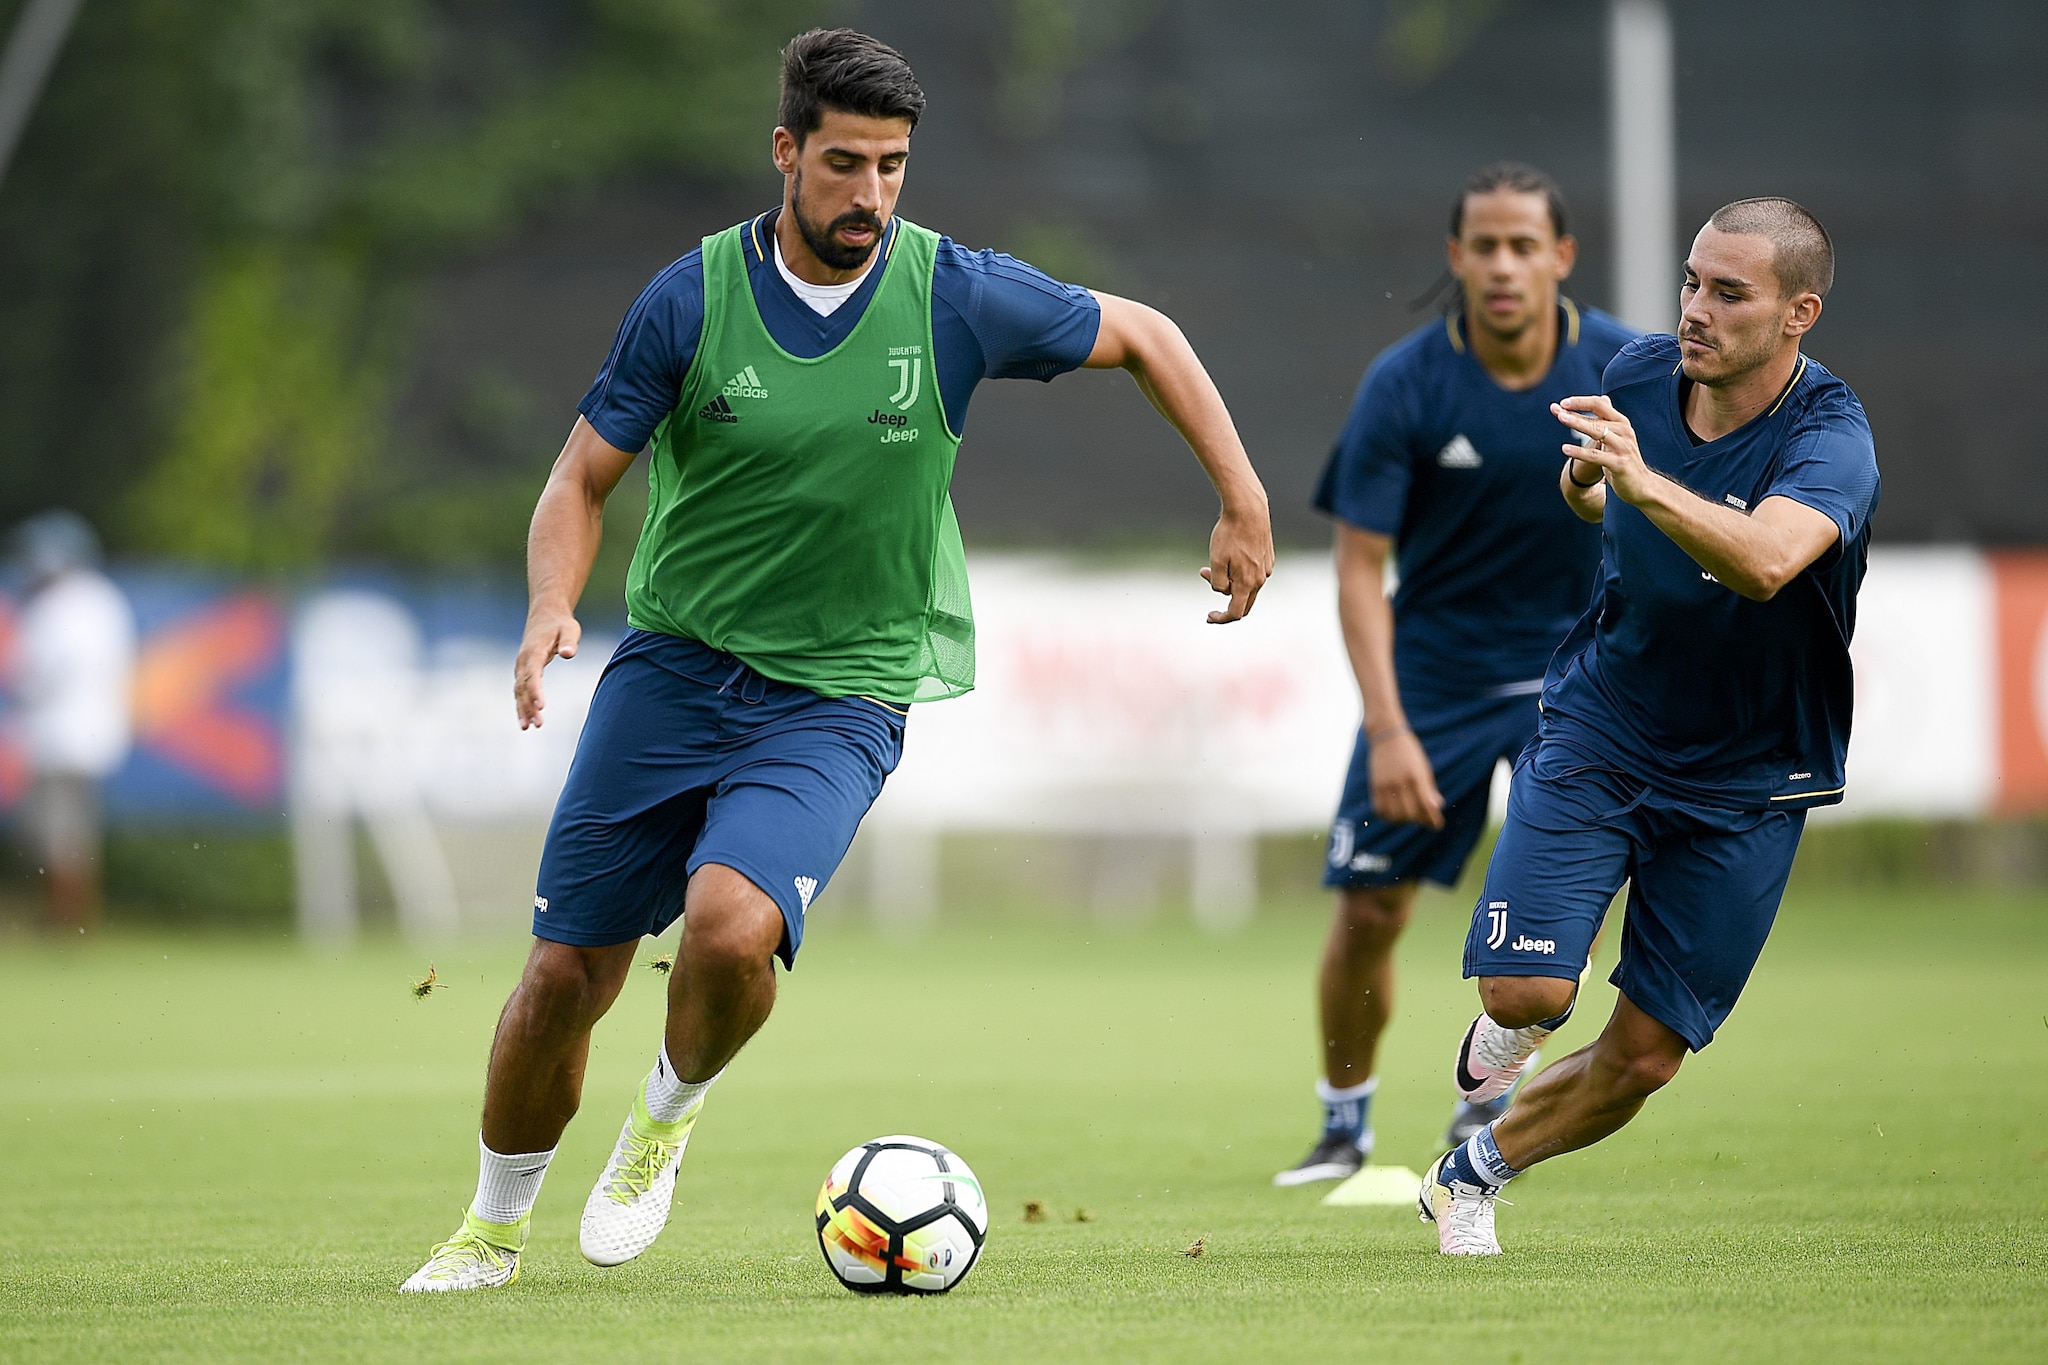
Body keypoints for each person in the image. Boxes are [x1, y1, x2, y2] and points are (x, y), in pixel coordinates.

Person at [401, 27, 1274, 1292]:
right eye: (846, 163)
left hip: (837, 692)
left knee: (726, 929)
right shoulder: (691, 296)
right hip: (671, 670)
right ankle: (488, 1228)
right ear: (785, 152)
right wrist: (550, 604)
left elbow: (1145, 334)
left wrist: (1240, 498)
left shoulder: (954, 294)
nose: (870, 194)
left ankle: (663, 1118)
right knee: (558, 980)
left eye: (894, 166)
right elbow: (579, 476)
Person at [1419, 198, 1877, 1254]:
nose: (1694, 311)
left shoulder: (1829, 439)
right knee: (1528, 984)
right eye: (1689, 282)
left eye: (1728, 293)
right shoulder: (1633, 375)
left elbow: (1763, 563)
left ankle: (1471, 1171)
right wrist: (1589, 479)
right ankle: (1511, 1024)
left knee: (1644, 1057)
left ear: (1797, 313)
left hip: (1752, 775)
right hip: (1602, 729)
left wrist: (1636, 478)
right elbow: (1591, 498)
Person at [1275, 165, 1634, 1187]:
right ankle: (1342, 1121)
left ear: (1561, 257)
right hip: (1431, 682)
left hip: (1581, 681)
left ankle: (1487, 1096)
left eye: (1524, 244)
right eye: (1484, 245)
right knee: (1367, 909)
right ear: (1456, 258)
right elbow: (1356, 565)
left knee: (1560, 913)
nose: (1503, 264)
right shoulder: (1407, 382)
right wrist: (1386, 728)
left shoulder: (1618, 366)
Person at [8, 511, 136, 931]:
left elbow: (38, 674)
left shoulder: (59, 606)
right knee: (72, 832)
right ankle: (69, 919)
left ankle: (66, 923)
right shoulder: (106, 598)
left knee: (59, 835)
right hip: (97, 731)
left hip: (61, 734)